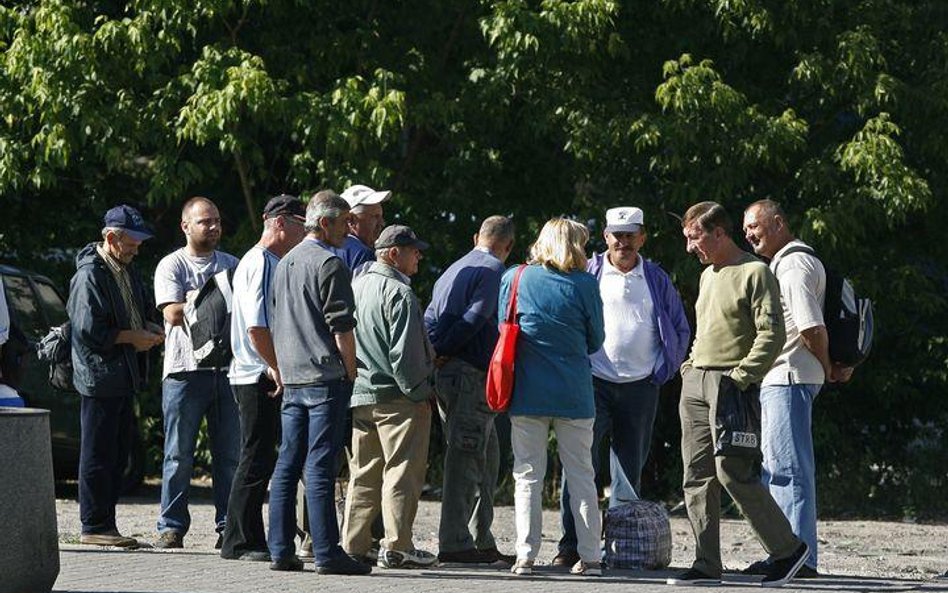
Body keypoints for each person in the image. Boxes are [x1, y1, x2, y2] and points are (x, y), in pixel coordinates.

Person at [668, 201, 809, 587]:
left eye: (694, 238)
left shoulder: (756, 272)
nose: (689, 247)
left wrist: (742, 376)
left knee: (733, 472)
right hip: (696, 382)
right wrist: (689, 367)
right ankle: (706, 564)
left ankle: (788, 550)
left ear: (719, 233)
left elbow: (772, 333)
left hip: (733, 386)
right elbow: (705, 328)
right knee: (696, 476)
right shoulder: (707, 276)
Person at [555, 206, 691, 567]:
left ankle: (619, 549)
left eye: (631, 234)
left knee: (628, 471)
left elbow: (680, 327)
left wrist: (663, 369)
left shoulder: (657, 278)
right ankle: (570, 546)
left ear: (642, 237)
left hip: (641, 387)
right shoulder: (588, 271)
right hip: (592, 383)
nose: (624, 241)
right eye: (618, 234)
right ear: (606, 237)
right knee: (580, 464)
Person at [741, 199, 851, 577]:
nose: (749, 235)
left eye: (754, 226)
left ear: (778, 222)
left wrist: (825, 366)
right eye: (745, 231)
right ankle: (783, 553)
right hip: (782, 379)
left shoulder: (792, 264)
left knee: (788, 471)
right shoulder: (783, 263)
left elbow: (810, 327)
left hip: (790, 378)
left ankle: (800, 560)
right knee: (776, 470)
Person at [265, 190, 370, 575]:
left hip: (293, 377)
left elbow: (277, 319)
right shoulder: (330, 263)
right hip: (325, 377)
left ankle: (281, 549)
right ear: (324, 223)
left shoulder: (284, 262)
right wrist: (351, 368)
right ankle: (327, 552)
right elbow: (341, 326)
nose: (349, 228)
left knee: (287, 463)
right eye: (345, 222)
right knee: (321, 467)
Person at [499, 218, 605, 577]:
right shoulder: (586, 284)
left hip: (527, 391)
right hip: (574, 392)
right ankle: (591, 557)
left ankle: (525, 556)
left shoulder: (517, 277)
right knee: (581, 475)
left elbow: (504, 324)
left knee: (527, 474)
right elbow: (596, 340)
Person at [68, 205, 164, 547]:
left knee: (118, 451)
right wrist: (131, 337)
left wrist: (150, 328)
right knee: (98, 452)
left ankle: (106, 525)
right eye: (133, 242)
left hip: (123, 375)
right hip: (99, 377)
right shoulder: (90, 275)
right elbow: (88, 330)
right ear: (111, 238)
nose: (137, 248)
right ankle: (94, 525)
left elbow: (135, 311)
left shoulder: (125, 269)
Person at [343, 224, 438, 569]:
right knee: (401, 472)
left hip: (361, 393)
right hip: (398, 398)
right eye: (414, 250)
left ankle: (353, 543)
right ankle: (398, 546)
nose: (419, 256)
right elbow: (406, 357)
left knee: (363, 472)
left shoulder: (356, 286)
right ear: (394, 253)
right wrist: (422, 393)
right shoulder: (399, 293)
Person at [219, 195, 308, 562]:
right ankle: (239, 541)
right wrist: (277, 367)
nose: (306, 232)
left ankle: (249, 537)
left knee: (260, 457)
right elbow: (257, 327)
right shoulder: (260, 262)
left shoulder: (270, 260)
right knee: (255, 458)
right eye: (302, 223)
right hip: (257, 373)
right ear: (281, 222)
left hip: (260, 370)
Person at [424, 215, 516, 565]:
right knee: (466, 457)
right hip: (469, 375)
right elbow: (477, 317)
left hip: (451, 373)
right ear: (508, 246)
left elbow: (431, 315)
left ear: (477, 235)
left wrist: (435, 351)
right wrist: (445, 349)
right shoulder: (493, 270)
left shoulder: (454, 267)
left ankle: (481, 536)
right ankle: (455, 542)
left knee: (487, 456)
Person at [154, 197, 240, 549]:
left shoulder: (233, 264)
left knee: (230, 456)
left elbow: (243, 312)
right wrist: (214, 301)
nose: (214, 227)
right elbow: (172, 314)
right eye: (205, 221)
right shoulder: (170, 265)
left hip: (227, 372)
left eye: (217, 220)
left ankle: (229, 527)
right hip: (183, 373)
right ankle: (171, 527)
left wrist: (198, 300)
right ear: (185, 225)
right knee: (178, 454)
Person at [330, 184, 391, 275]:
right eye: (375, 217)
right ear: (350, 220)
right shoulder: (363, 254)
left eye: (381, 217)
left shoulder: (326, 246)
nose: (382, 223)